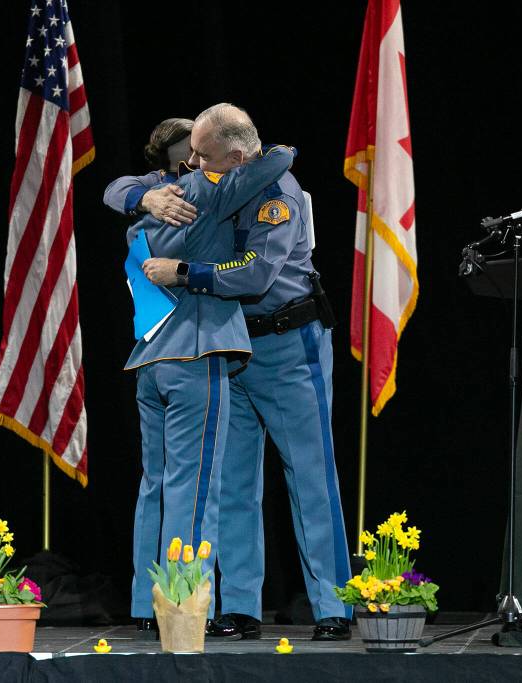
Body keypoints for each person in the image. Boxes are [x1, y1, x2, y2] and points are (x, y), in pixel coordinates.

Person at [106, 103, 352, 641]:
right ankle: (240, 606)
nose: (192, 162)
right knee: (236, 484)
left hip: (290, 346)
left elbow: (256, 273)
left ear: (237, 157)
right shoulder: (212, 182)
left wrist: (185, 272)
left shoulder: (277, 194)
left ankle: (334, 606)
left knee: (310, 475)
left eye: (204, 154)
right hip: (232, 349)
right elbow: (122, 186)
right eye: (191, 152)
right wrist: (143, 196)